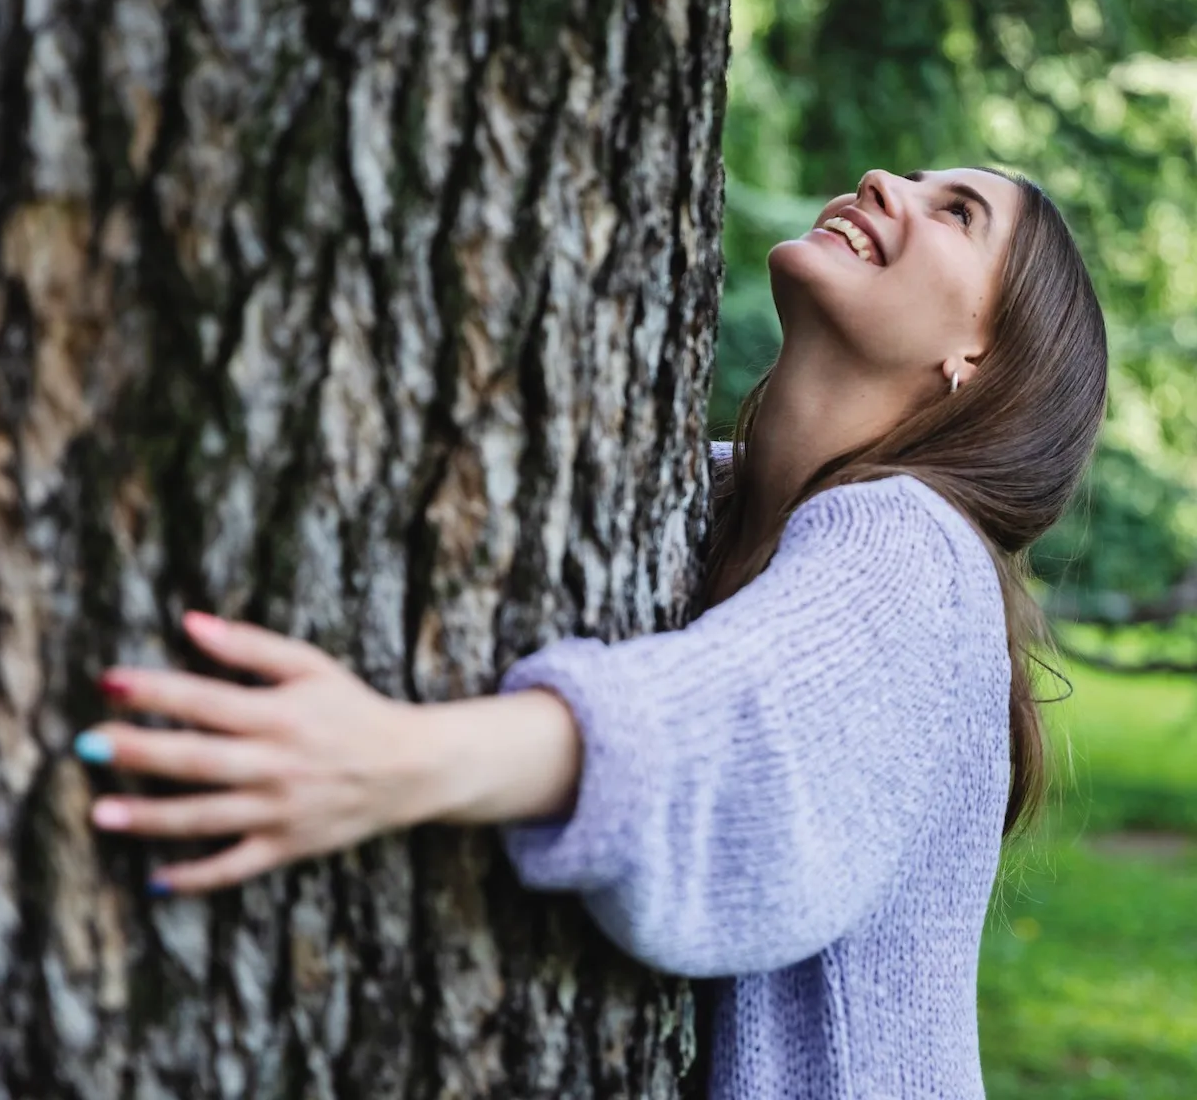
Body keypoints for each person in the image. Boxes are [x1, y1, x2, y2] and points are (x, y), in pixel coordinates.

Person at [72, 167, 1108, 1098]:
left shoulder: (918, 547)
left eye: (956, 213)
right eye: (916, 178)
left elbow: (738, 734)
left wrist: (386, 758)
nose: (887, 181)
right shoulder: (700, 503)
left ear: (980, 357)